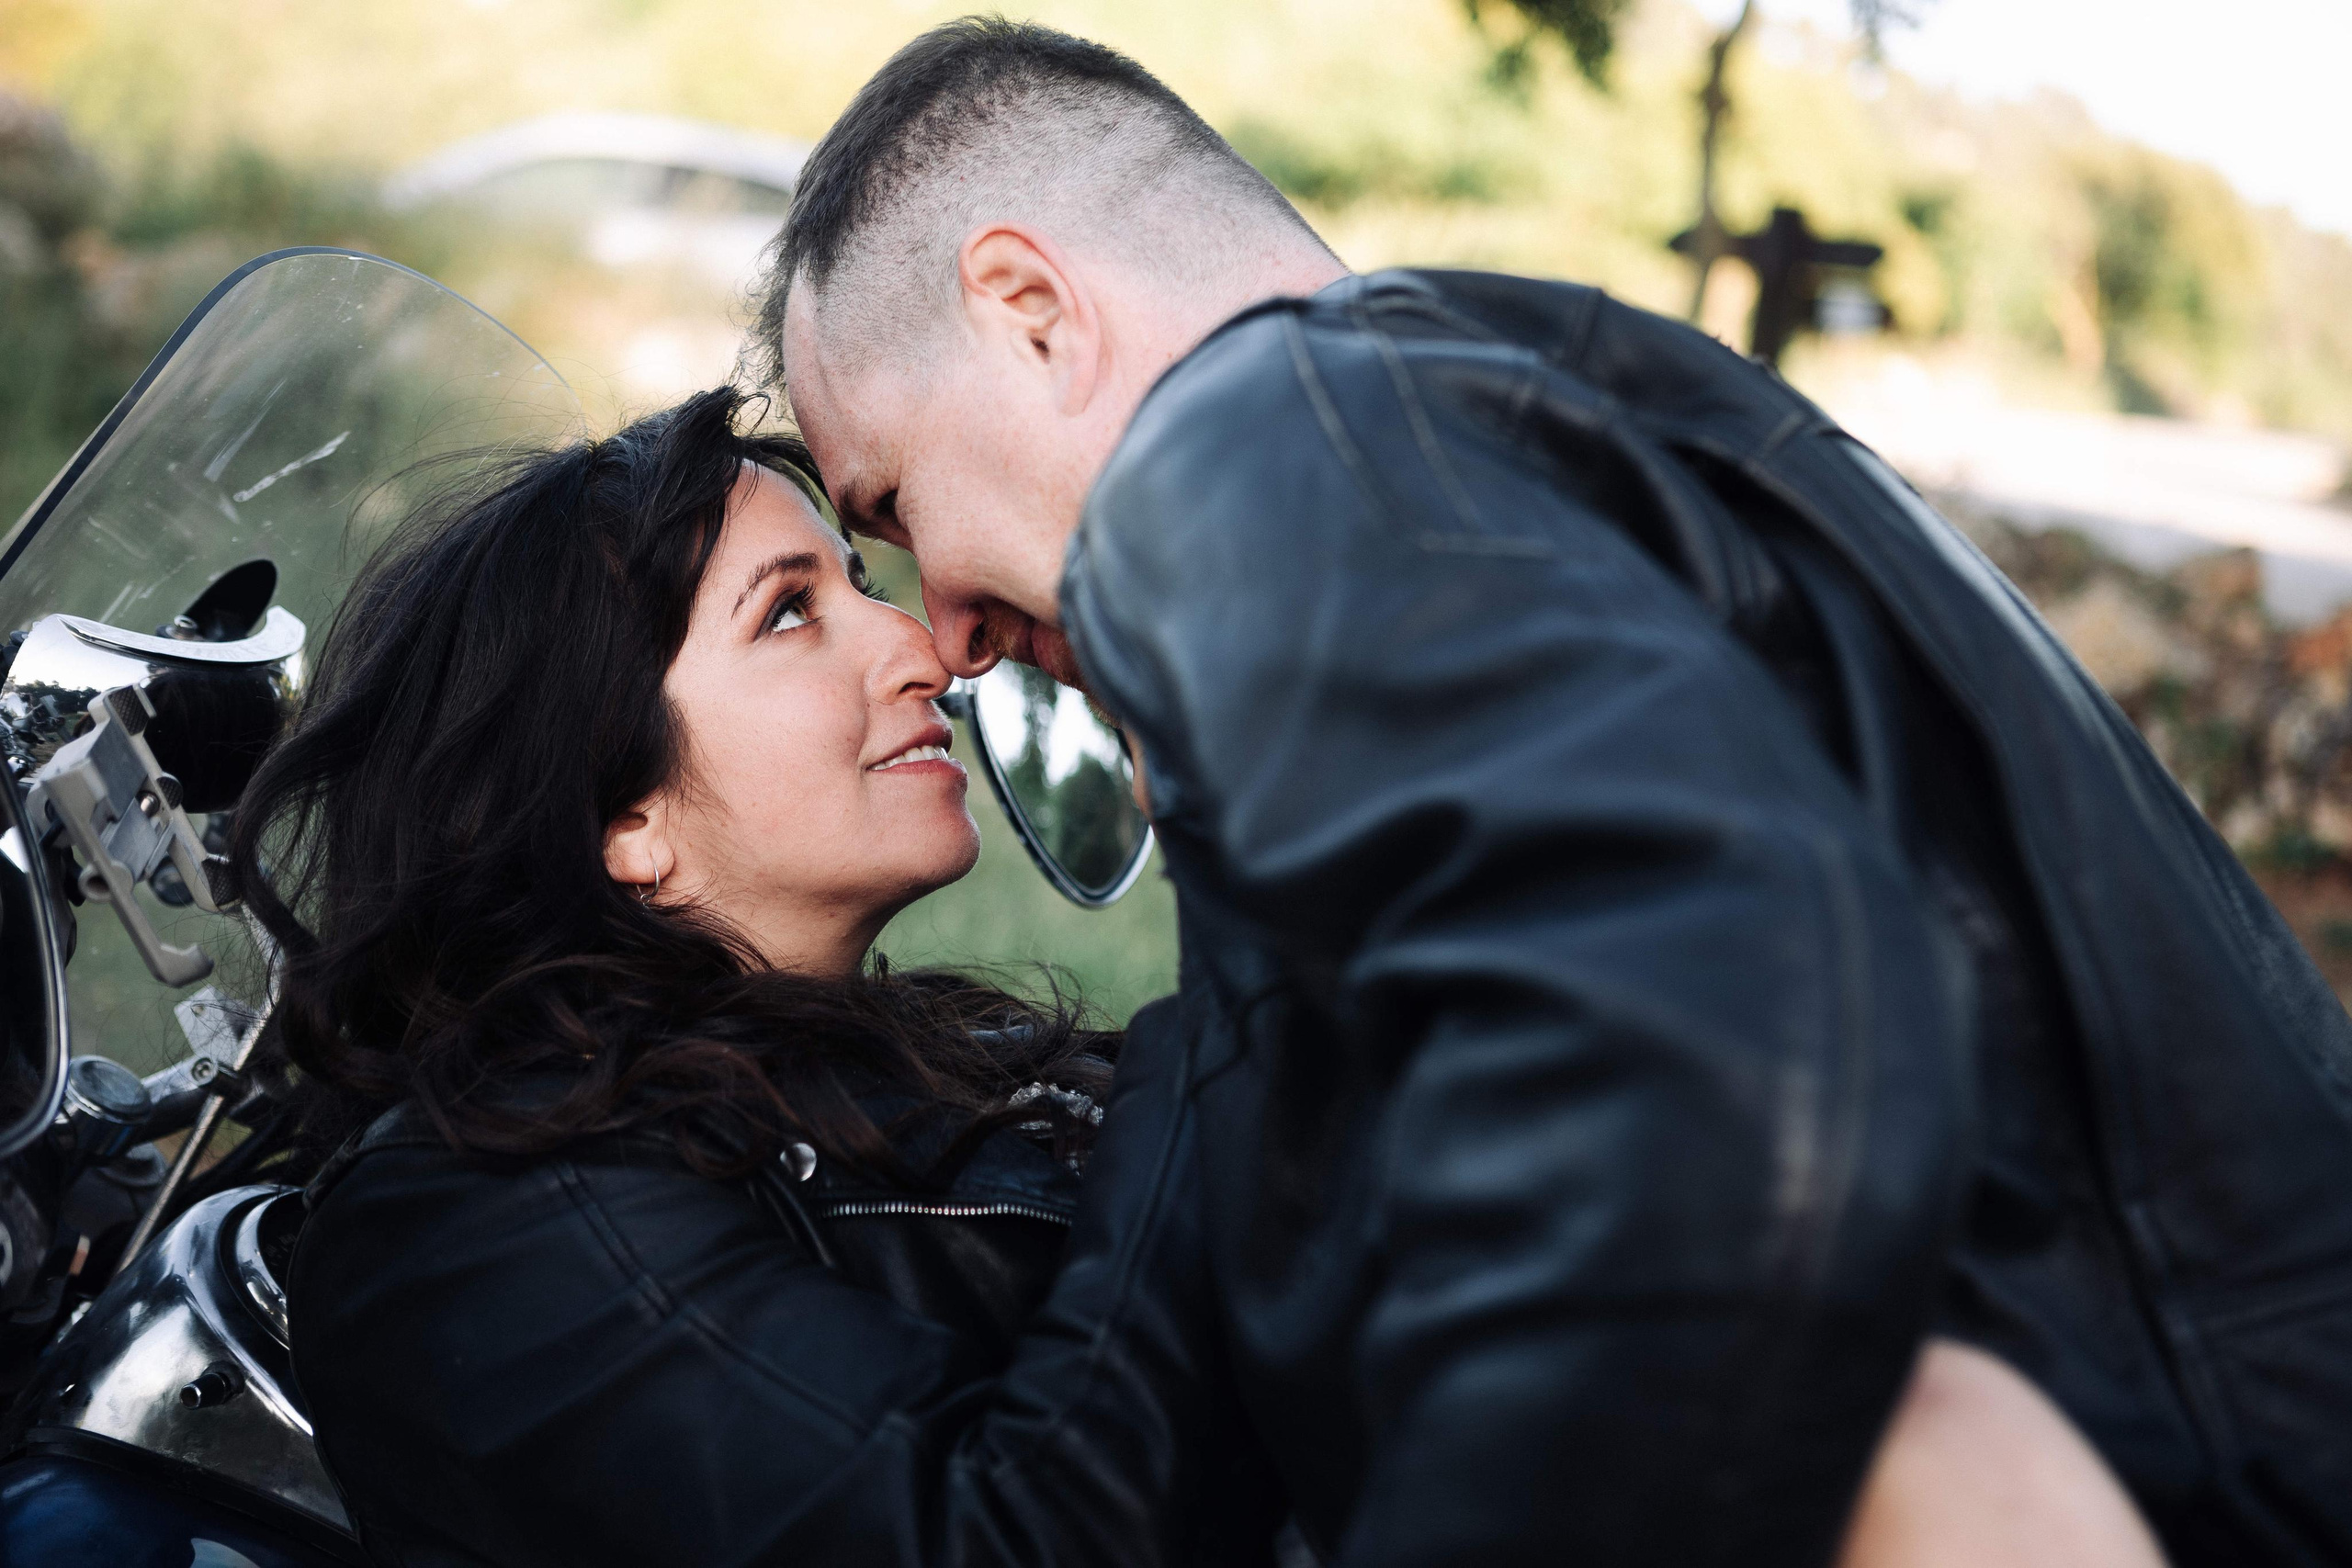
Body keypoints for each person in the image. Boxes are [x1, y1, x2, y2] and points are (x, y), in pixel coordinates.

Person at [752, 19, 2352, 1568]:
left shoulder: (1252, 447)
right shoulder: (1504, 420)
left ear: (1033, 310)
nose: (946, 633)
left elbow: (1705, 1112)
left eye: (895, 505)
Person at [232, 389, 1280, 1567]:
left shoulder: (925, 1046)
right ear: (619, 811)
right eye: (789, 612)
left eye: (862, 585)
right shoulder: (476, 1215)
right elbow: (1004, 1542)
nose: (921, 651)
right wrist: (1253, 907)